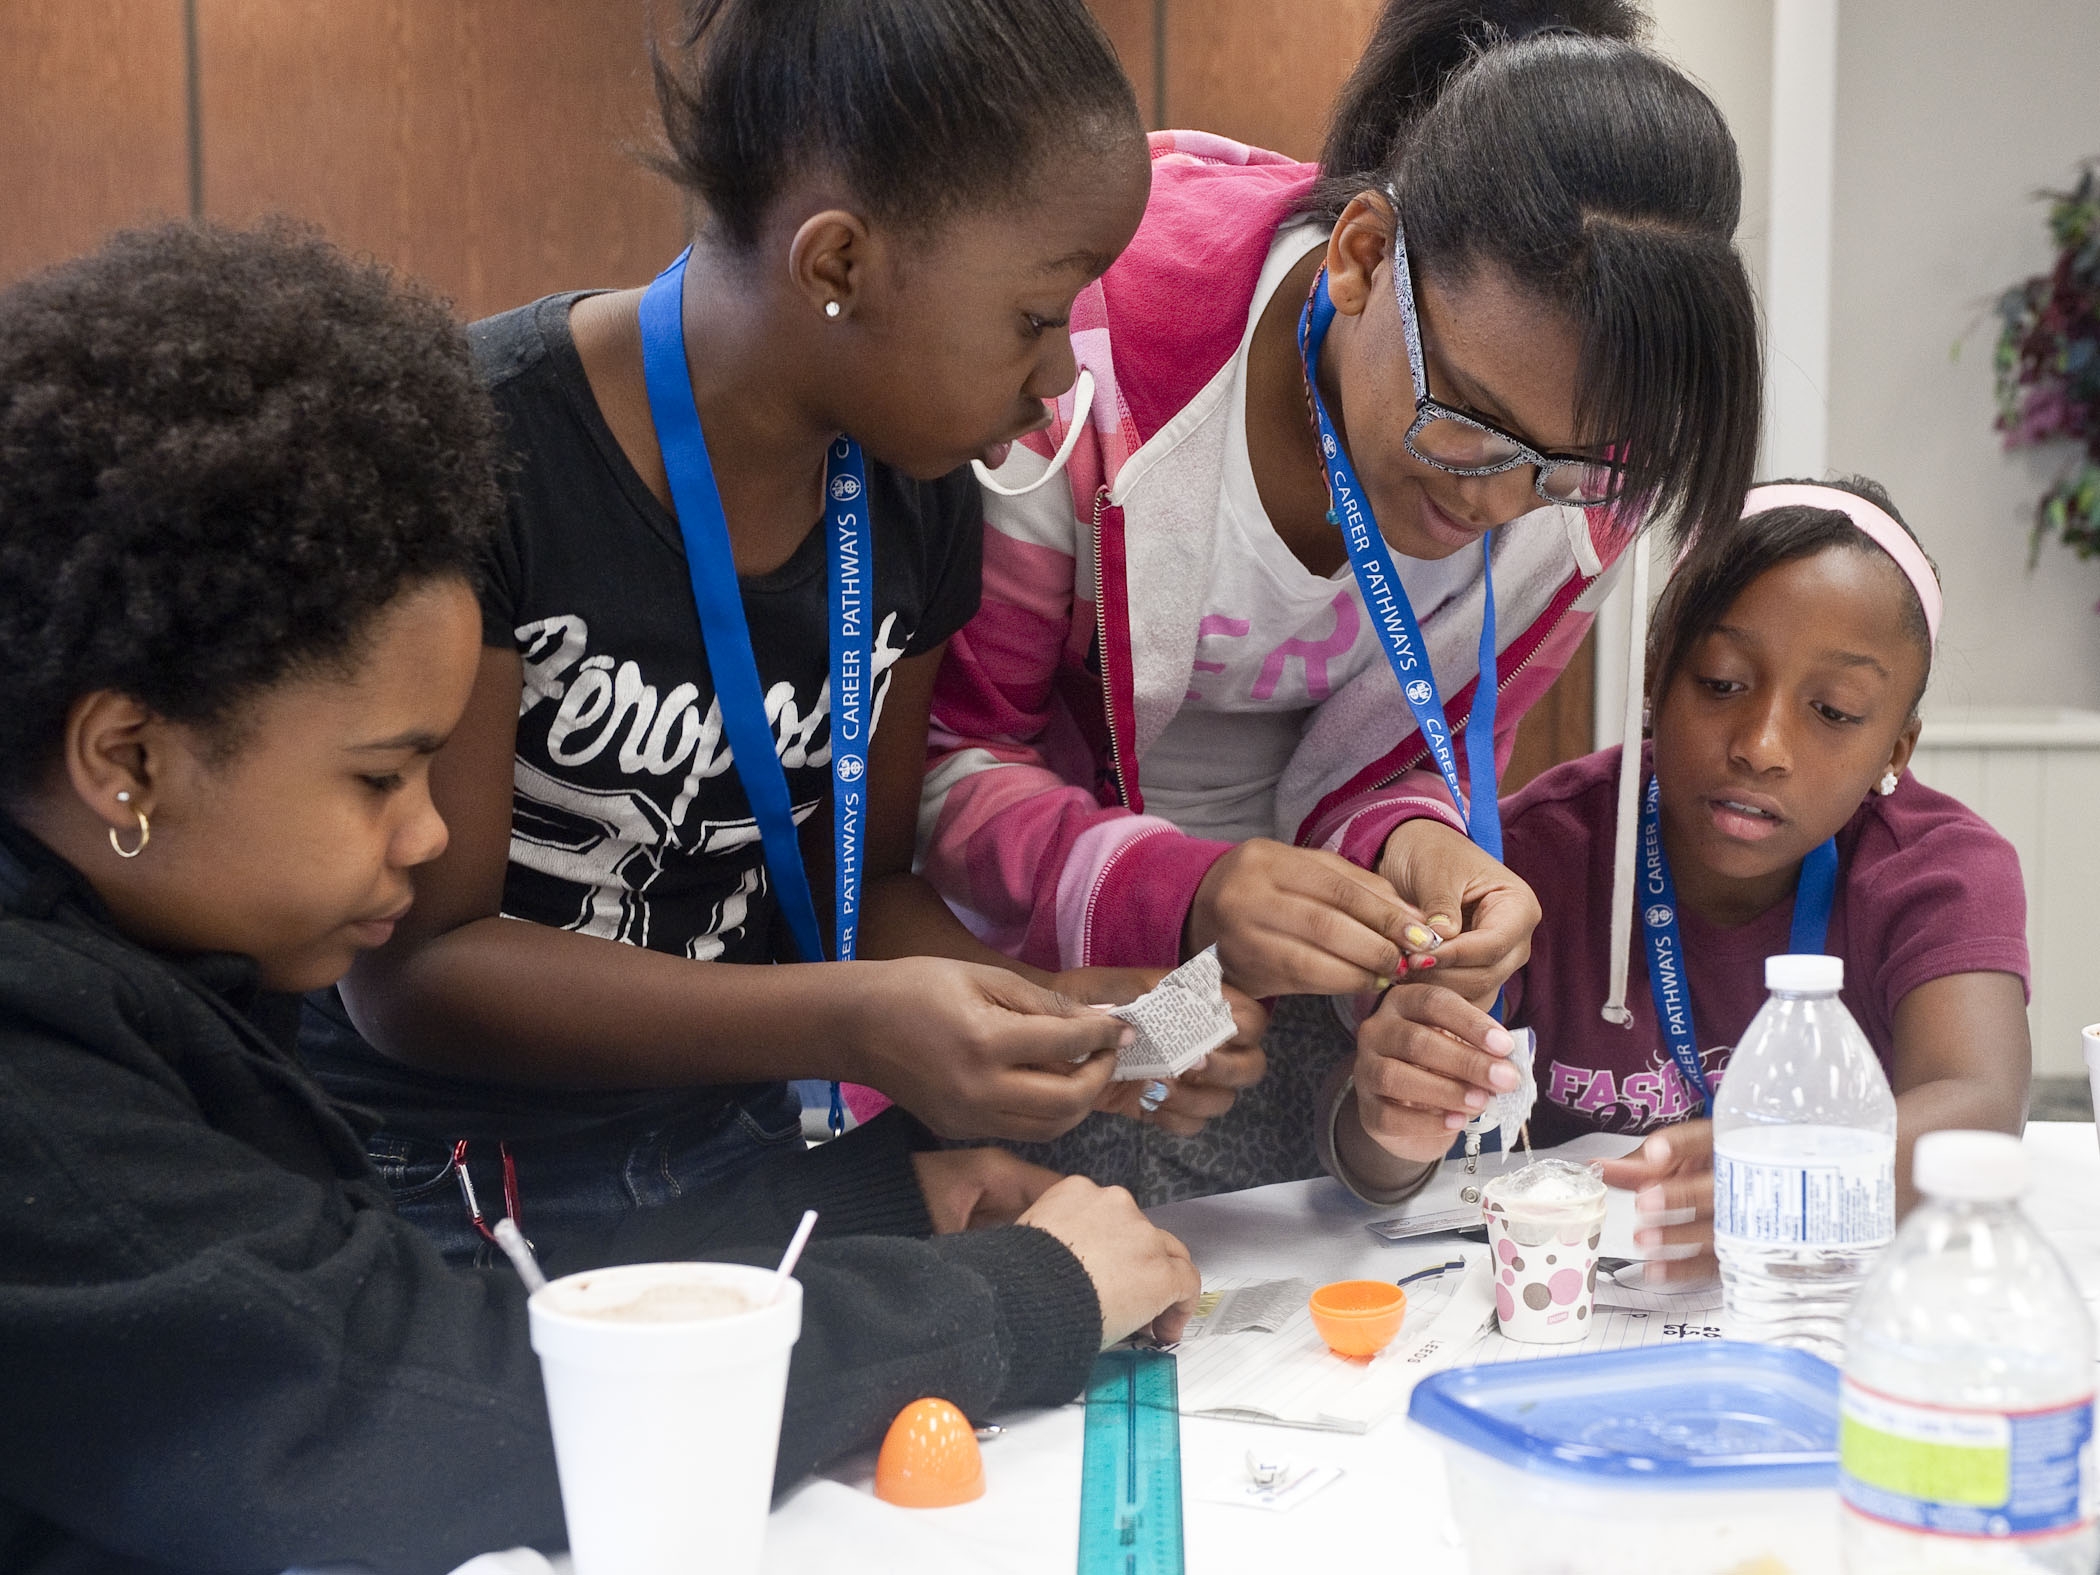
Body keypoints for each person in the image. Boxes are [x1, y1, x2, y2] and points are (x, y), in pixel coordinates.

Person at [0, 222, 1201, 1575]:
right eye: (381, 774)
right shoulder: (38, 1085)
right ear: (126, 757)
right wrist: (1020, 1297)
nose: (432, 827)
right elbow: (437, 1415)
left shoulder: (151, 972)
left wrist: (876, 1200)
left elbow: (400, 1306)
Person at [302, 0, 1268, 1265]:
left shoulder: (916, 496)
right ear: (835, 266)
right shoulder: (486, 455)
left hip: (734, 1156)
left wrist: (1048, 1016)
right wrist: (849, 1023)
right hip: (445, 1186)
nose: (1054, 379)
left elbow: (858, 898)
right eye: (1037, 317)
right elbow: (416, 971)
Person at [919, 0, 1762, 1203]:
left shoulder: (1589, 487)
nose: (1499, 502)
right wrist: (1192, 897)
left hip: (1272, 1005)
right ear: (1363, 257)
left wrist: (1422, 849)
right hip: (1035, 972)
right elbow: (950, 762)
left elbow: (1408, 753)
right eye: (1468, 422)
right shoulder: (1096, 360)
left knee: (1282, 1286)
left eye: (1567, 467)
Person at [1343, 478, 2029, 1277]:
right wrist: (1390, 1122)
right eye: (1722, 682)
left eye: (1835, 710)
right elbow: (1372, 1150)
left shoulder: (1939, 871)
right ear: (1653, 680)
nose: (1763, 744)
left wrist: (1800, 1185)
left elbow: (1980, 1106)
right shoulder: (1534, 856)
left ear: (1895, 753)